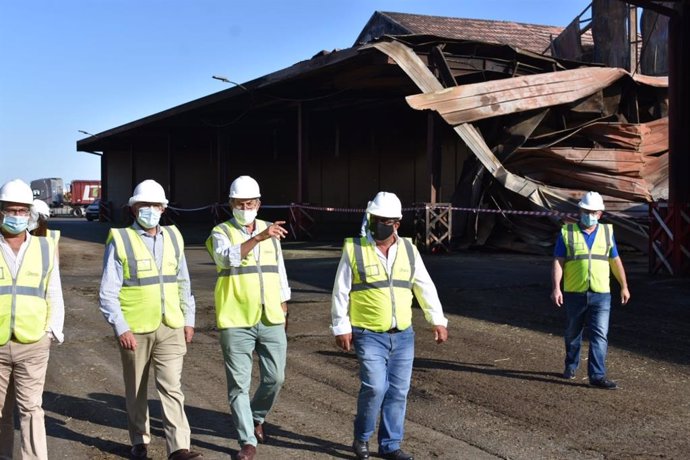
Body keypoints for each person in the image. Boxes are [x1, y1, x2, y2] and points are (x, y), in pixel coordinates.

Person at [331, 191, 449, 460]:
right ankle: (361, 438)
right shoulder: (355, 248)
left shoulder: (409, 249)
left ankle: (390, 446)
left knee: (398, 392)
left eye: (386, 220)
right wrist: (341, 326)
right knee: (374, 387)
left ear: (397, 223)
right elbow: (341, 290)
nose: (380, 224)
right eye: (376, 219)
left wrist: (437, 320)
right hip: (368, 333)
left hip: (403, 335)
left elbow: (424, 286)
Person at [98, 179, 202, 460]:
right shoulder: (120, 239)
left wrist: (188, 319)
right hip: (135, 329)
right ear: (134, 209)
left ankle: (179, 447)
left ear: (164, 208)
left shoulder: (174, 237)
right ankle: (139, 440)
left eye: (155, 205)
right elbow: (108, 291)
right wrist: (120, 327)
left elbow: (183, 281)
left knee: (172, 387)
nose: (150, 210)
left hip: (171, 325)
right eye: (144, 205)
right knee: (136, 388)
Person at [206, 175, 290, 460]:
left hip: (270, 314)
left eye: (250, 203)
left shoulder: (271, 230)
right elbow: (225, 258)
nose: (245, 207)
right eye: (239, 203)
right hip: (236, 317)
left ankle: (256, 416)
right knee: (238, 385)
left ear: (258, 203)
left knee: (275, 377)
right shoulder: (220, 232)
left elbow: (278, 267)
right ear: (231, 204)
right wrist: (257, 238)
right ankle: (247, 441)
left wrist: (284, 299)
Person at [0, 179, 65, 460]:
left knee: (31, 409)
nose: (16, 216)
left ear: (30, 213)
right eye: (10, 210)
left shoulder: (44, 247)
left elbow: (55, 292)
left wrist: (51, 332)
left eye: (21, 210)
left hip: (33, 342)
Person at [551, 191, 630, 390]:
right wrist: (556, 288)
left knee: (599, 335)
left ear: (600, 214)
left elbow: (615, 261)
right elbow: (558, 262)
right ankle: (571, 364)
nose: (588, 214)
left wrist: (624, 286)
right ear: (580, 211)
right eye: (585, 211)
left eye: (592, 211)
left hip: (601, 293)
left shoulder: (606, 233)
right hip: (574, 292)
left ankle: (597, 375)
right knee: (572, 332)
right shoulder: (567, 233)